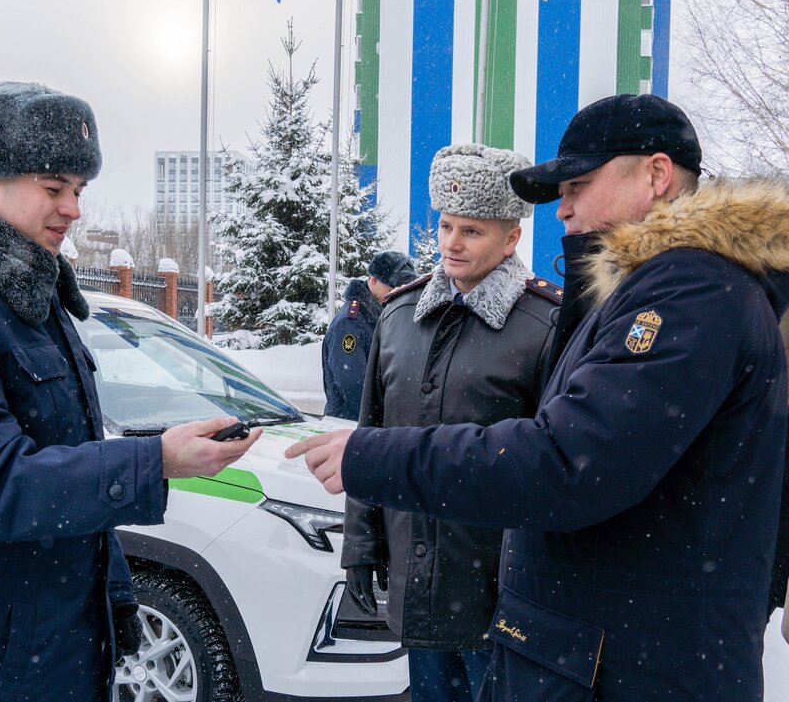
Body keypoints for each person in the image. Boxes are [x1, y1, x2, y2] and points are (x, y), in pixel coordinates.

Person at [288, 94, 789, 701]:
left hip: (624, 662)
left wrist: (371, 458)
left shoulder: (690, 290)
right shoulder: (655, 288)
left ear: (656, 175)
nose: (565, 208)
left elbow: (567, 461)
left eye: (578, 184)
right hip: (588, 651)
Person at [0, 81, 261, 702]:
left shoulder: (32, 297)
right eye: (53, 188)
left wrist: (112, 596)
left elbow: (71, 453)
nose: (74, 209)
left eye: (79, 190)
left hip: (51, 636)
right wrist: (156, 459)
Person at [342, 144, 559, 702]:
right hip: (418, 579)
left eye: (473, 231)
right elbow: (371, 437)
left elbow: (554, 459)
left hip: (501, 587)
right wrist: (362, 547)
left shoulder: (543, 325)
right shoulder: (398, 318)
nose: (452, 244)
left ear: (511, 238)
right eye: (445, 226)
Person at [322, 251, 416, 420]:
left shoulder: (383, 316)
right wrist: (380, 420)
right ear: (373, 280)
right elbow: (353, 386)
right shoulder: (351, 323)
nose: (398, 294)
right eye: (392, 288)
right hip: (350, 424)